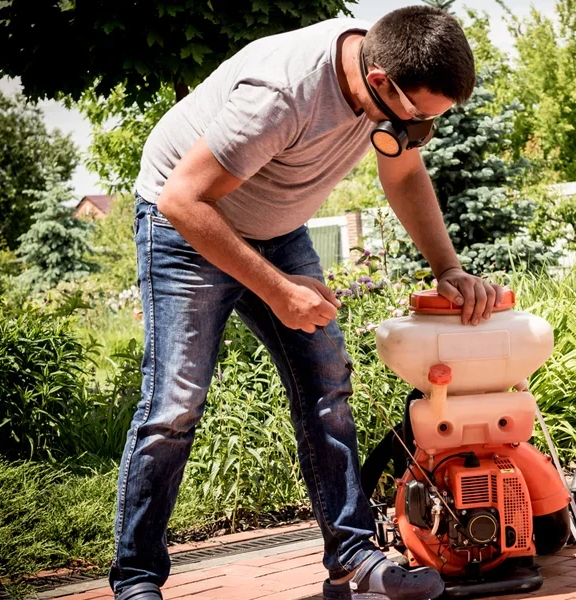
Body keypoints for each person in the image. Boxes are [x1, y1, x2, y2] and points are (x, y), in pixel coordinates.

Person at [110, 6, 502, 600]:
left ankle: (351, 562)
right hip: (186, 225)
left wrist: (447, 266)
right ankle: (137, 581)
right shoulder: (281, 93)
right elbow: (182, 200)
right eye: (417, 117)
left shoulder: (390, 82)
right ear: (379, 83)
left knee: (327, 385)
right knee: (175, 405)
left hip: (277, 224)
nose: (420, 131)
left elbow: (403, 175)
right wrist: (277, 289)